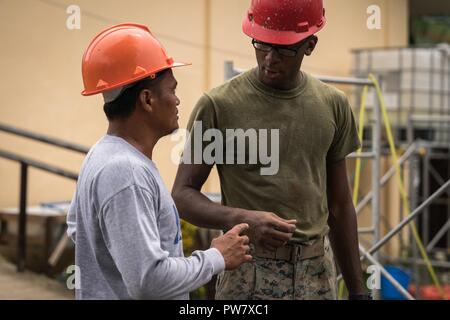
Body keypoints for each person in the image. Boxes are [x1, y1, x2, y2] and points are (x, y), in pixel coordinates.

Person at [172, 0, 369, 300]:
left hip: (317, 276)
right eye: (261, 45)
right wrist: (242, 218)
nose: (270, 58)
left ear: (310, 45)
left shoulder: (333, 105)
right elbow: (183, 196)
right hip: (247, 275)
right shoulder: (219, 106)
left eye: (284, 49)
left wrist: (358, 291)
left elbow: (340, 206)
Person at [66, 23, 252, 300]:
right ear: (147, 99)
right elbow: (148, 281)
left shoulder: (101, 155)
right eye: (172, 90)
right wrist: (216, 257)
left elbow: (77, 228)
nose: (177, 100)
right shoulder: (125, 171)